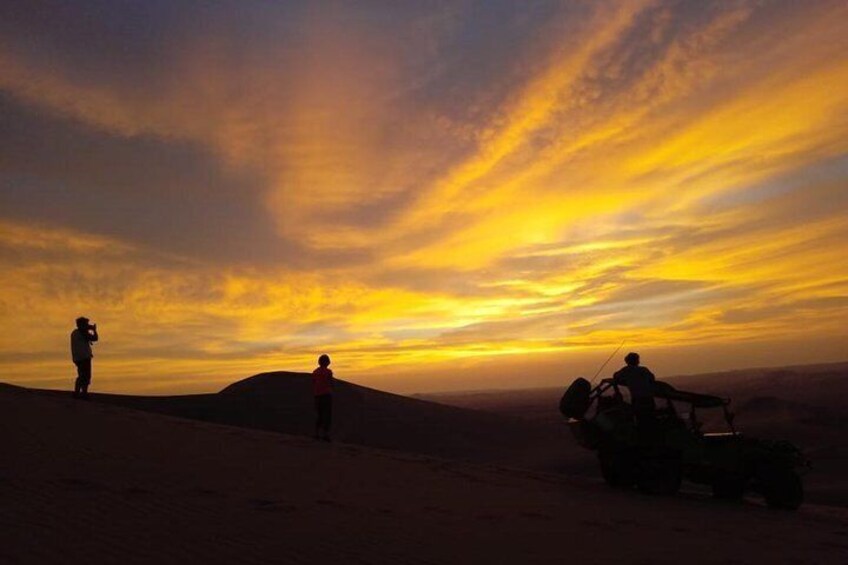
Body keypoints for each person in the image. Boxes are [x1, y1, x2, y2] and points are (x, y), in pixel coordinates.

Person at [612, 352, 656, 425]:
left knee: (640, 420)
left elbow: (615, 376)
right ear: (637, 361)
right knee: (651, 419)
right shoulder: (644, 370)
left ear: (627, 361)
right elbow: (652, 378)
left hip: (637, 399)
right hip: (649, 398)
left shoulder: (626, 370)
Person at [70, 316, 98, 399]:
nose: (87, 325)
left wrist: (89, 329)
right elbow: (95, 338)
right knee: (85, 376)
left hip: (78, 358)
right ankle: (82, 393)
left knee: (82, 375)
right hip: (84, 357)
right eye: (86, 324)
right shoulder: (82, 332)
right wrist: (94, 330)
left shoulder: (75, 332)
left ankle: (79, 393)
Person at [312, 354, 333, 441]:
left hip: (317, 395)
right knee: (327, 415)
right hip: (326, 395)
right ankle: (325, 435)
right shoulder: (328, 372)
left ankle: (317, 433)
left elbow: (314, 382)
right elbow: (330, 382)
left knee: (319, 415)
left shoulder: (315, 372)